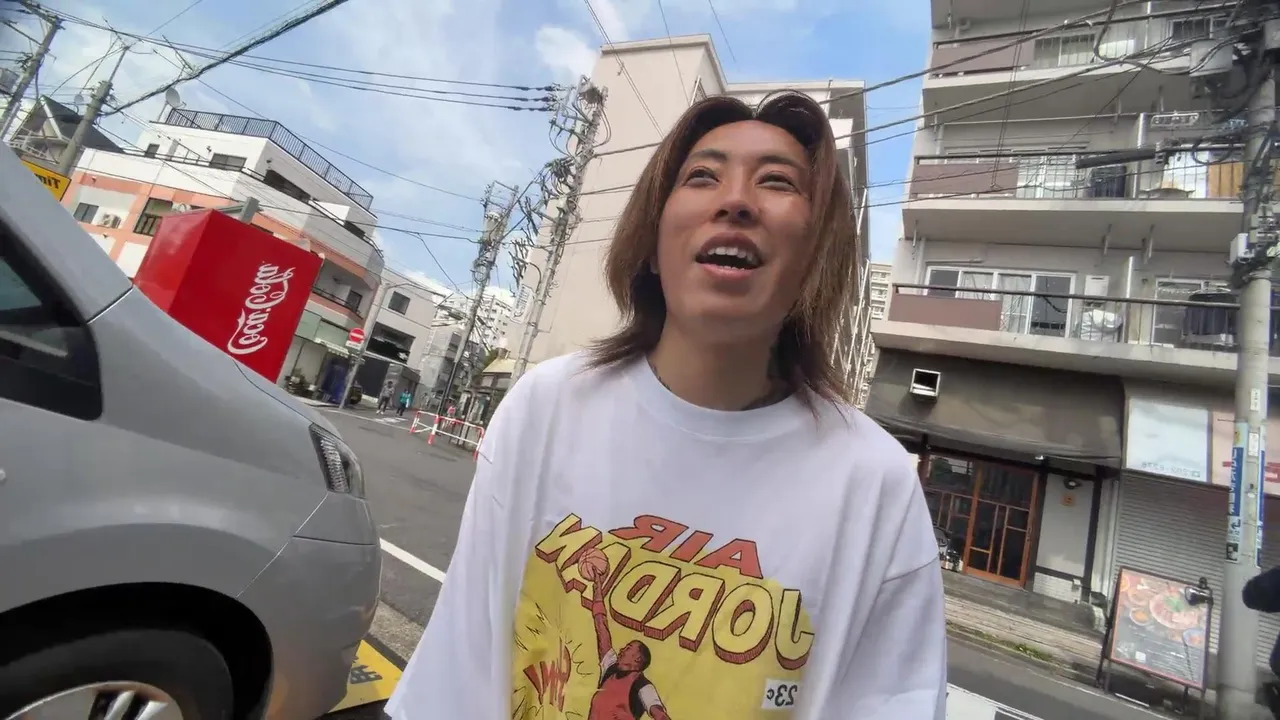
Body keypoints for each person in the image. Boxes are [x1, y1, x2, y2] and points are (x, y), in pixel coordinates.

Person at [387, 92, 947, 720]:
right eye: (702, 176)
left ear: (816, 253)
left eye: (777, 182)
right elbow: (459, 672)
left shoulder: (874, 482)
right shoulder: (547, 407)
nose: (735, 201)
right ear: (652, 242)